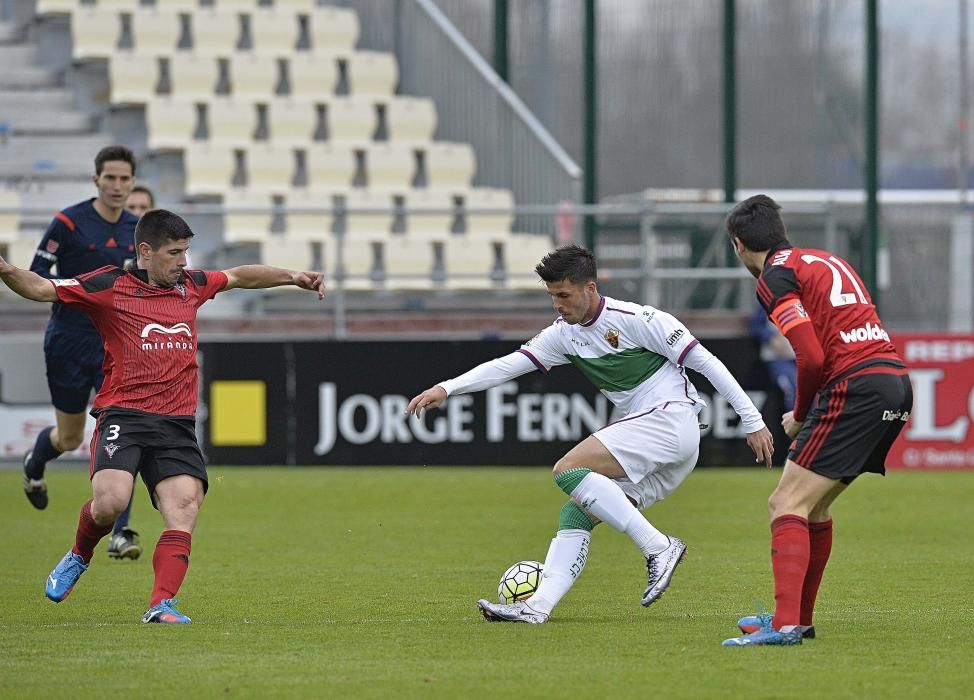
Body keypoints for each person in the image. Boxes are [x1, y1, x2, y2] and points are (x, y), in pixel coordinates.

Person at [406, 244, 774, 624]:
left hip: (670, 421)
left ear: (590, 288)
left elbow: (707, 363)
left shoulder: (639, 319)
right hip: (667, 448)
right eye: (552, 296)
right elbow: (507, 366)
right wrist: (447, 388)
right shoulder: (563, 335)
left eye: (564, 295)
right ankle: (537, 606)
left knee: (568, 469)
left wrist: (752, 420)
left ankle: (659, 547)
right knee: (576, 511)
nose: (557, 305)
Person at [0, 209, 324, 624]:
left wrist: (293, 276)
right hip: (125, 415)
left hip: (176, 424)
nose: (184, 262)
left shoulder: (192, 286)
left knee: (185, 505)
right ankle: (80, 554)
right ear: (146, 252)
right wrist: (7, 269)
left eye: (186, 251)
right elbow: (42, 288)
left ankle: (161, 604)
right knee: (110, 504)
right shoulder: (109, 285)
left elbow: (241, 276)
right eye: (175, 253)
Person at [721, 195, 912, 647]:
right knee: (814, 506)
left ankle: (785, 625)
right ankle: (797, 619)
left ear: (738, 244)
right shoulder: (822, 259)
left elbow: (810, 356)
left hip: (856, 386)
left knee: (784, 503)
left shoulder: (774, 275)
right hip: (894, 382)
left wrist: (801, 416)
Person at [22, 146, 148, 560]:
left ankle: (122, 531)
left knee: (120, 430)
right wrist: (86, 288)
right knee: (70, 436)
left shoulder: (139, 230)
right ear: (96, 180)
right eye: (109, 178)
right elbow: (38, 277)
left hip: (118, 346)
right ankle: (35, 465)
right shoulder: (68, 223)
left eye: (124, 179)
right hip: (68, 341)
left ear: (132, 182)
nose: (116, 186)